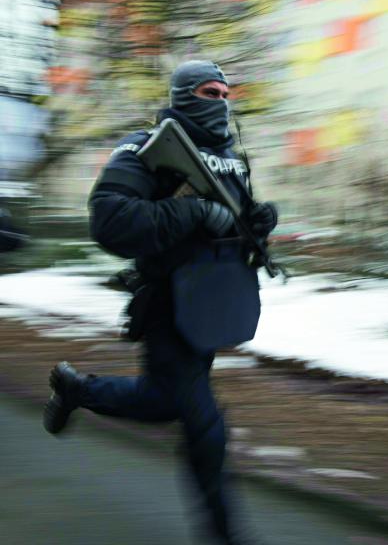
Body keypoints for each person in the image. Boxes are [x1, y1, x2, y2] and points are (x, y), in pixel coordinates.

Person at [43, 60, 277, 544]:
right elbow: (110, 219)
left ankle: (77, 390)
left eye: (226, 93)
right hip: (168, 305)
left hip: (211, 305)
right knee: (204, 426)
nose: (222, 101)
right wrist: (192, 211)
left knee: (161, 402)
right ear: (184, 95)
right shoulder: (144, 147)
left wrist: (255, 220)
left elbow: (226, 221)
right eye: (211, 92)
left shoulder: (228, 154)